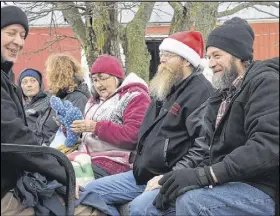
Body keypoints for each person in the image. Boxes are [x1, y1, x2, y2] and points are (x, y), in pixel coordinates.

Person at [152, 17, 279, 216]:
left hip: (262, 188)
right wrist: (179, 177)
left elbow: (267, 146)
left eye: (217, 56)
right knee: (148, 205)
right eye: (209, 57)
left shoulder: (266, 84)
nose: (211, 63)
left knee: (192, 202)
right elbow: (209, 151)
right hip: (227, 182)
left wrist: (206, 175)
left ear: (238, 55)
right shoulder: (221, 96)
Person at [85, 30, 214, 216]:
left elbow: (203, 148)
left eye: (168, 56)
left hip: (172, 177)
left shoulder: (200, 93)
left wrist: (170, 177)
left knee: (140, 208)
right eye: (162, 55)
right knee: (90, 192)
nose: (161, 60)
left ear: (186, 60)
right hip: (143, 174)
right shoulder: (164, 88)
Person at [1, 5, 71, 215]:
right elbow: (13, 135)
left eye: (22, 35)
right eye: (10, 33)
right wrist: (62, 172)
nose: (18, 42)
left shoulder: (6, 76)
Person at [71, 55, 151, 179]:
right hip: (88, 155)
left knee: (69, 176)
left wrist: (96, 127)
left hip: (117, 161)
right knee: (54, 168)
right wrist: (72, 127)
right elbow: (85, 133)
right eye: (95, 80)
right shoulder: (94, 101)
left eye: (102, 78)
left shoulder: (135, 96)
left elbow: (135, 135)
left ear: (116, 77)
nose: (98, 84)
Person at [34, 53, 91, 146]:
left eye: (49, 73)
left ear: (58, 75)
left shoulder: (78, 98)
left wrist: (44, 147)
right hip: (41, 147)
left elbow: (70, 133)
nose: (46, 76)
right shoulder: (55, 97)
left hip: (55, 151)